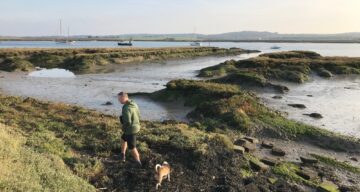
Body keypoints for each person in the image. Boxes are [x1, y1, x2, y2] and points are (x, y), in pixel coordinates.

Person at [118, 91, 142, 166]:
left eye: (119, 99)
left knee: (132, 147)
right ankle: (122, 154)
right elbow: (139, 114)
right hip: (137, 126)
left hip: (130, 129)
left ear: (123, 97)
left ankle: (138, 163)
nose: (118, 101)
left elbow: (127, 121)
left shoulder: (126, 108)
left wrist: (123, 127)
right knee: (123, 138)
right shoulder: (134, 104)